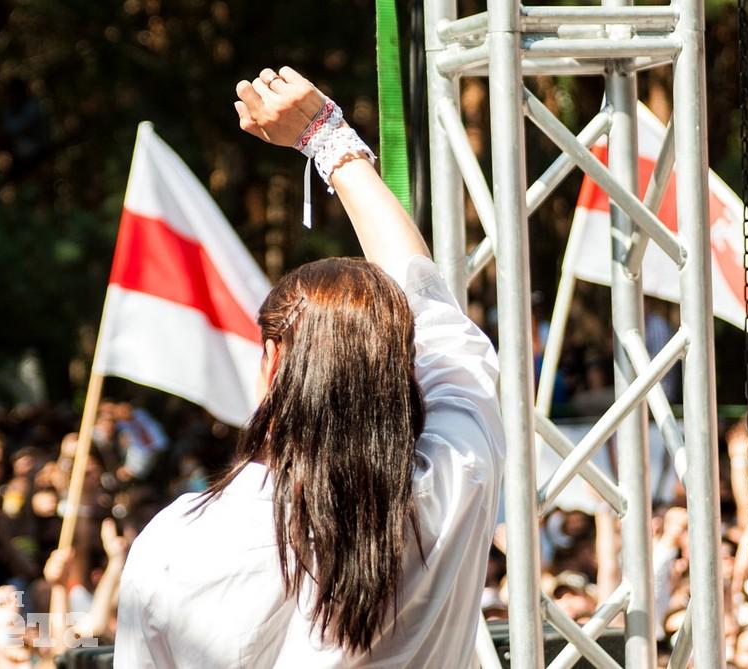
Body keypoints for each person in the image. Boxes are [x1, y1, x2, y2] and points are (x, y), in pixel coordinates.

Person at [113, 66, 505, 667]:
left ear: (272, 364)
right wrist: (327, 137)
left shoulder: (175, 543)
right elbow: (425, 297)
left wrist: (324, 134)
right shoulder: (456, 475)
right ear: (398, 371)